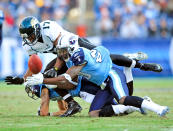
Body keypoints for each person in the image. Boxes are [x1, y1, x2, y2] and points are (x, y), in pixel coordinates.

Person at [5, 16, 162, 116]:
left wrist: (57, 68)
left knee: (103, 58)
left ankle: (140, 65)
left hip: (73, 44)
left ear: (37, 30)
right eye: (27, 37)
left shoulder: (48, 28)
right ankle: (72, 104)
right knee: (49, 76)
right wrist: (23, 79)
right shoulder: (28, 45)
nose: (30, 39)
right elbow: (32, 65)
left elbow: (61, 51)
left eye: (31, 35)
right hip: (62, 54)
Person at [25, 35, 169, 117]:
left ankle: (158, 108)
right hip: (103, 80)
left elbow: (67, 79)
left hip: (111, 75)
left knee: (124, 98)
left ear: (70, 49)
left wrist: (42, 79)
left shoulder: (78, 56)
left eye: (63, 51)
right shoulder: (73, 55)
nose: (60, 54)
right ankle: (136, 102)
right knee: (94, 113)